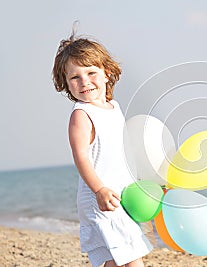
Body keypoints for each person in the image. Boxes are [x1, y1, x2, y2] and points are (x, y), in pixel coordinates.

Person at [52, 33, 152, 267]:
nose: (84, 82)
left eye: (91, 73)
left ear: (107, 73)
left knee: (115, 259)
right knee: (131, 258)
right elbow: (81, 157)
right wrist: (99, 190)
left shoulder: (113, 107)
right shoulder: (81, 115)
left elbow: (120, 152)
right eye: (75, 77)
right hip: (99, 197)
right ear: (65, 83)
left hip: (119, 196)